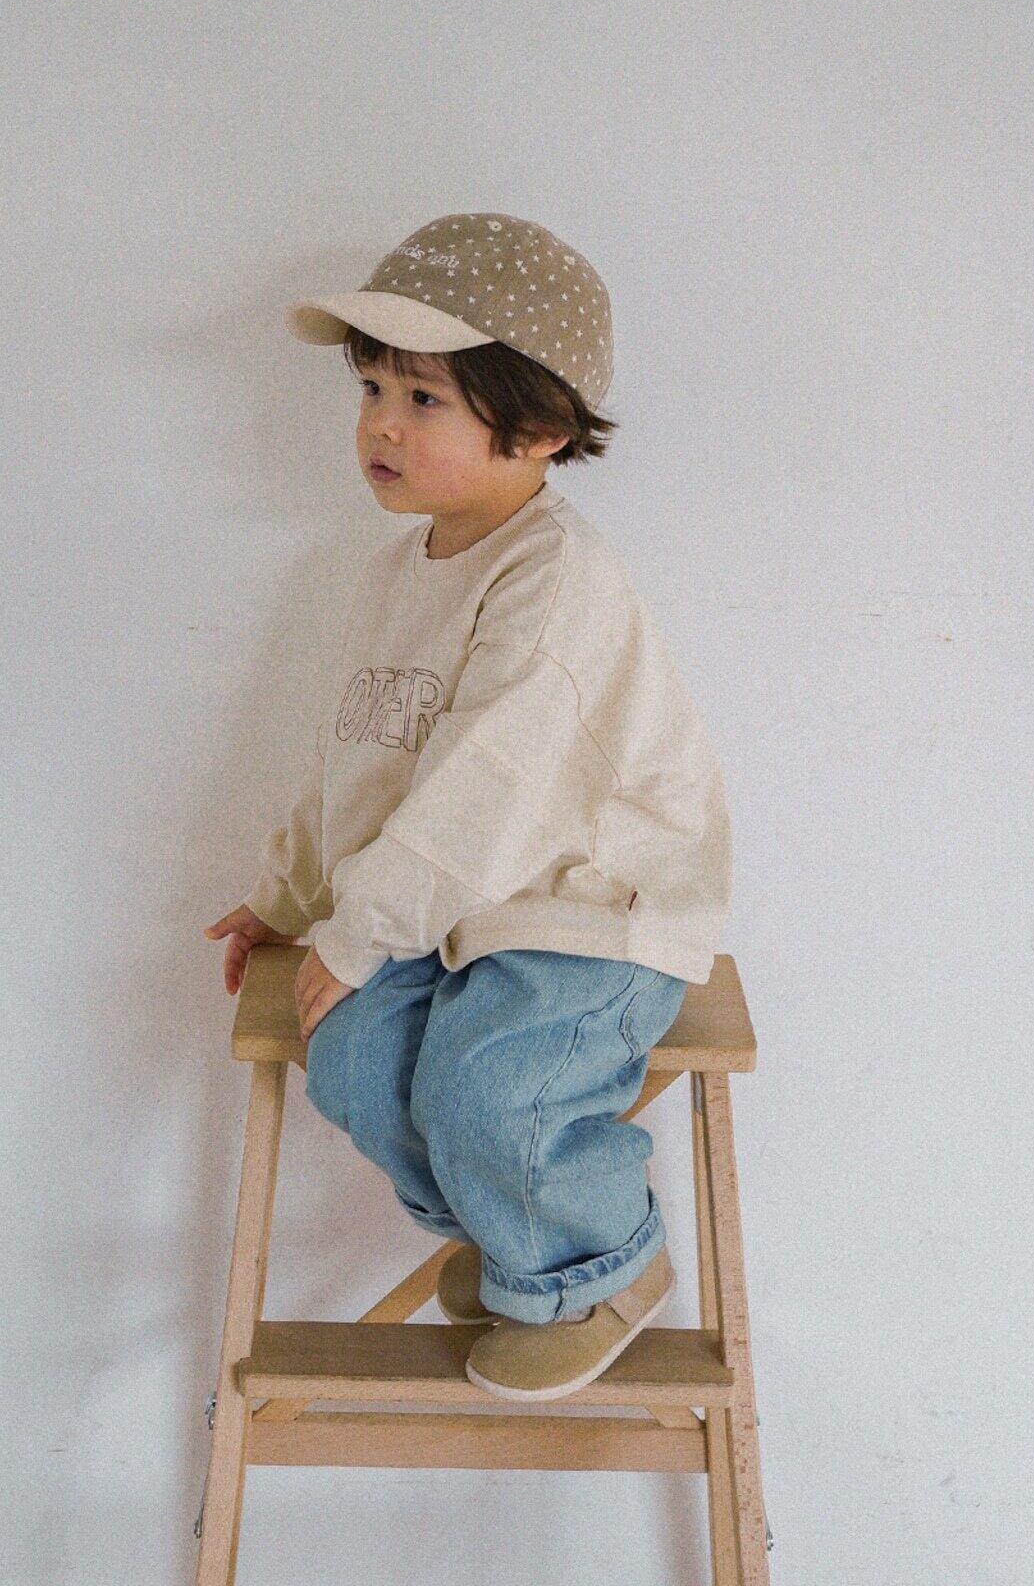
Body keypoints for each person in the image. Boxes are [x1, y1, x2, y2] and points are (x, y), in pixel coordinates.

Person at [204, 211, 732, 1401]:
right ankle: (519, 1239)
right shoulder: (397, 574)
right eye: (372, 388)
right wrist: (291, 897)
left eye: (423, 398)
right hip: (458, 896)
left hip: (583, 897)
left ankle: (598, 1263)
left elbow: (481, 793)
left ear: (538, 428)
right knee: (350, 1055)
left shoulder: (553, 583)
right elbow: (361, 761)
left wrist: (361, 932)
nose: (380, 424)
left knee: (487, 1090)